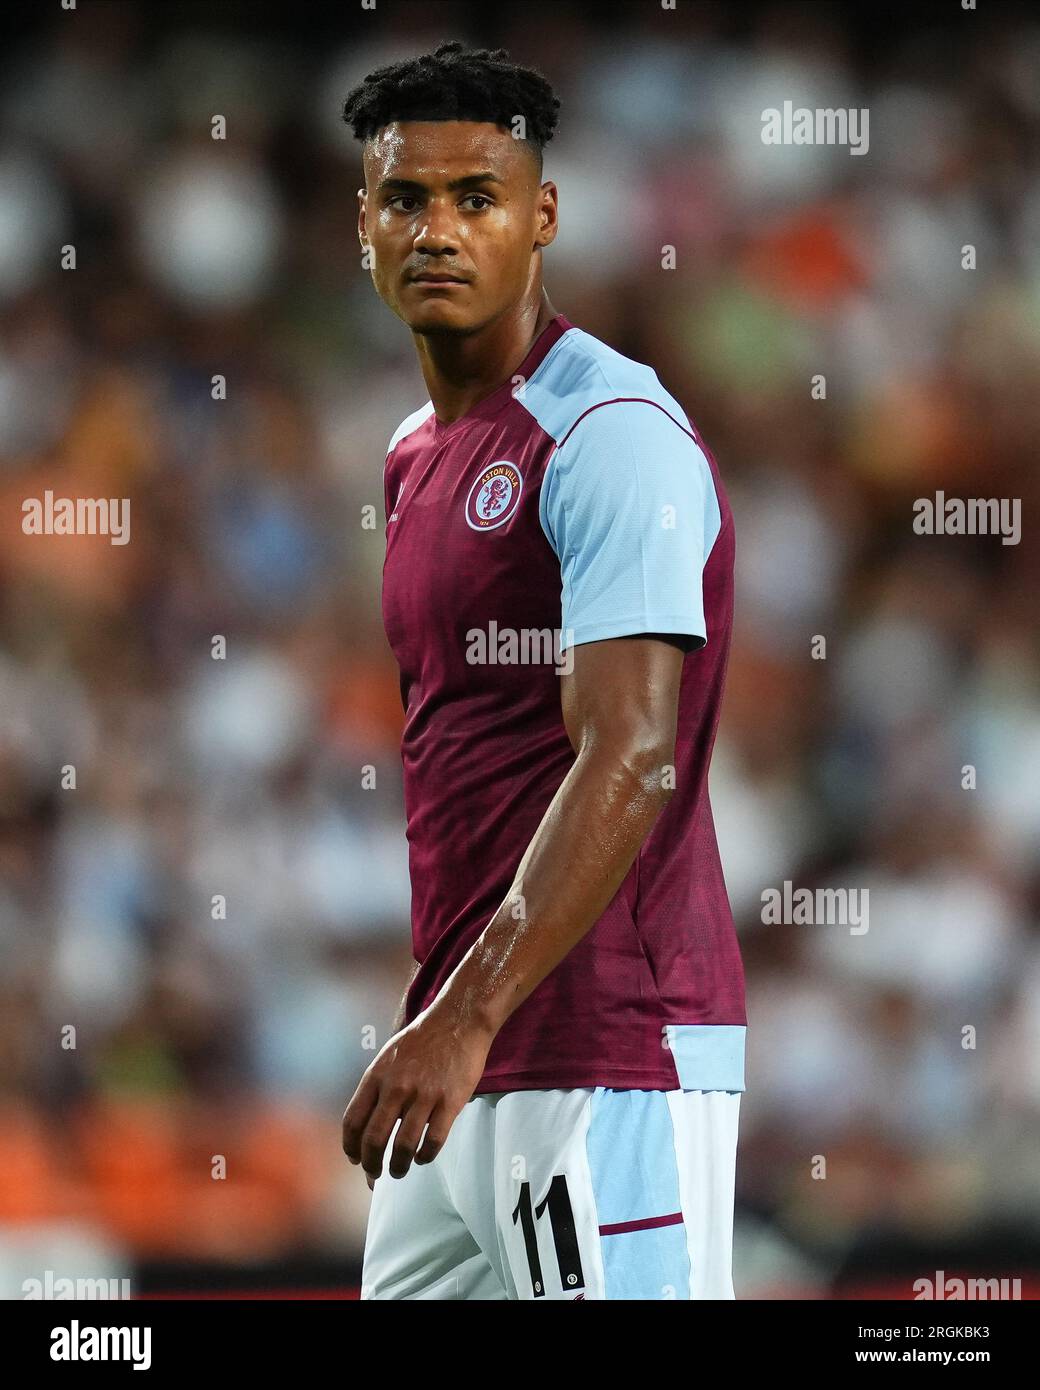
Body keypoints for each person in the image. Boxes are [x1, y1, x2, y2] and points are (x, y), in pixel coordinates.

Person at [340, 40, 746, 1301]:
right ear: (363, 224)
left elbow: (629, 754)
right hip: (465, 1053)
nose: (436, 230)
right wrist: (449, 1016)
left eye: (478, 197)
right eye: (406, 199)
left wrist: (464, 1015)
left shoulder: (608, 434)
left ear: (543, 216)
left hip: (602, 1047)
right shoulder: (414, 451)